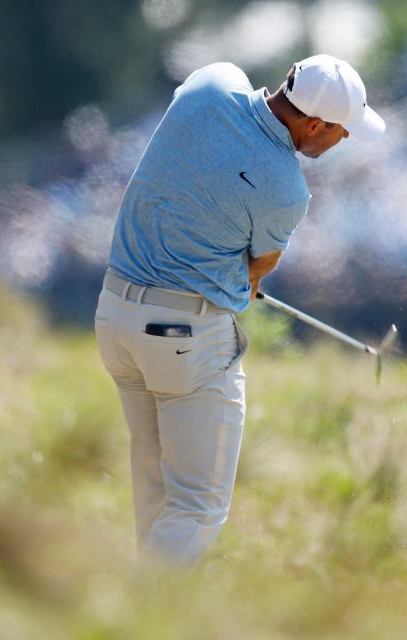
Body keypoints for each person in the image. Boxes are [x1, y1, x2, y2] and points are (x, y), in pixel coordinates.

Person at [94, 55, 385, 565]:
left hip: (114, 315)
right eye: (342, 131)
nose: (343, 141)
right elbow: (257, 270)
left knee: (155, 489)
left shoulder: (212, 82)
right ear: (313, 125)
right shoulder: (287, 191)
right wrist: (236, 279)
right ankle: (128, 620)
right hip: (182, 337)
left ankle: (151, 625)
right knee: (197, 508)